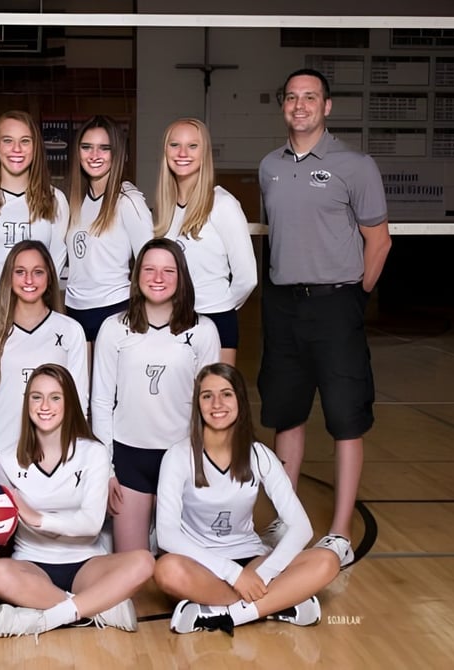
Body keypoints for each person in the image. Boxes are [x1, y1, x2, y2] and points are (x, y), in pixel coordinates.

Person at [258, 68, 391, 567]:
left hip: (337, 305)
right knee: (285, 413)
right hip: (283, 304)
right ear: (283, 106)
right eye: (291, 97)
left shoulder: (355, 166)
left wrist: (355, 298)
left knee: (344, 417)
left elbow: (379, 242)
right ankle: (288, 519)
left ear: (326, 106)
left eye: (310, 97)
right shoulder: (269, 166)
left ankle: (338, 531)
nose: (300, 105)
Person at [155, 363, 340, 635]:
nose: (217, 403)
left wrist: (259, 577)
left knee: (328, 560)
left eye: (226, 394)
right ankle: (279, 603)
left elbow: (302, 527)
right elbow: (167, 536)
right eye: (207, 396)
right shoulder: (177, 456)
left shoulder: (260, 455)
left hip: (253, 561)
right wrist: (234, 575)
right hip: (202, 565)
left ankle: (225, 614)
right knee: (166, 570)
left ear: (240, 399)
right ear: (198, 404)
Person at [0, 364, 154, 638]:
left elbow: (90, 524)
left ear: (69, 403)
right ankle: (96, 607)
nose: (44, 406)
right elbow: (3, 527)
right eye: (36, 397)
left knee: (144, 562)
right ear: (27, 403)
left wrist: (36, 517)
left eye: (55, 397)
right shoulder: (5, 461)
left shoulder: (94, 454)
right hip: (31, 563)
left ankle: (43, 615)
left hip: (86, 563)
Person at [92, 238, 220, 552]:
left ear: (181, 278)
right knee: (133, 565)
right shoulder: (114, 329)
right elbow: (101, 401)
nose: (157, 278)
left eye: (168, 271)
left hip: (181, 457)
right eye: (149, 269)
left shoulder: (203, 331)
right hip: (129, 457)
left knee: (177, 566)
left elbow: (212, 407)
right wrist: (105, 469)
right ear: (137, 277)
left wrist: (207, 464)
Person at [0, 240, 88, 482]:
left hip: (54, 457)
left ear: (50, 278)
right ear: (8, 278)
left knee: (47, 522)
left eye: (38, 272)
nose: (29, 280)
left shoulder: (70, 330)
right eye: (20, 272)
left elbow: (79, 405)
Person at [0, 110, 69, 334]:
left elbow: (54, 260)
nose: (17, 149)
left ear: (35, 148)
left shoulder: (55, 200)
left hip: (34, 311)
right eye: (8, 141)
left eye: (25, 141)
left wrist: (32, 300)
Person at [155, 118, 257, 366]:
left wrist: (217, 307)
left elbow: (247, 277)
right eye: (174, 145)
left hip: (214, 320)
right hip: (172, 320)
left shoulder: (223, 204)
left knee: (213, 402)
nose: (182, 153)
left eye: (192, 146)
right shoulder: (165, 208)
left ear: (205, 153)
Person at [65, 115, 153, 369]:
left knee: (108, 396)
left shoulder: (128, 200)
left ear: (118, 153)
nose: (95, 155)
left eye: (105, 148)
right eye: (87, 147)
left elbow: (150, 262)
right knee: (82, 397)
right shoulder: (74, 201)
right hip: (76, 310)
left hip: (114, 309)